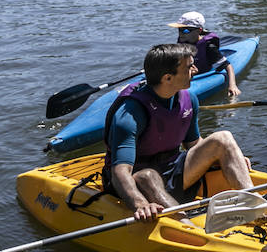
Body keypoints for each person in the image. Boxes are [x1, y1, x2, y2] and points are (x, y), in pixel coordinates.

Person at [103, 43, 254, 222]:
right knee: (148, 176)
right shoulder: (130, 114)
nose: (195, 70)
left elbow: (194, 144)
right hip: (136, 181)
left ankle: (254, 205)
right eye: (189, 67)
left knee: (223, 138)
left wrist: (227, 155)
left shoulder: (189, 99)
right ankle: (187, 225)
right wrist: (139, 204)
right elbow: (120, 171)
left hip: (172, 170)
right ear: (167, 78)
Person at [168, 11, 240, 97]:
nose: (181, 34)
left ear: (199, 31)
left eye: (186, 30)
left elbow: (228, 66)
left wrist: (232, 85)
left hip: (203, 74)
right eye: (179, 30)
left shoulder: (209, 47)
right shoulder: (182, 41)